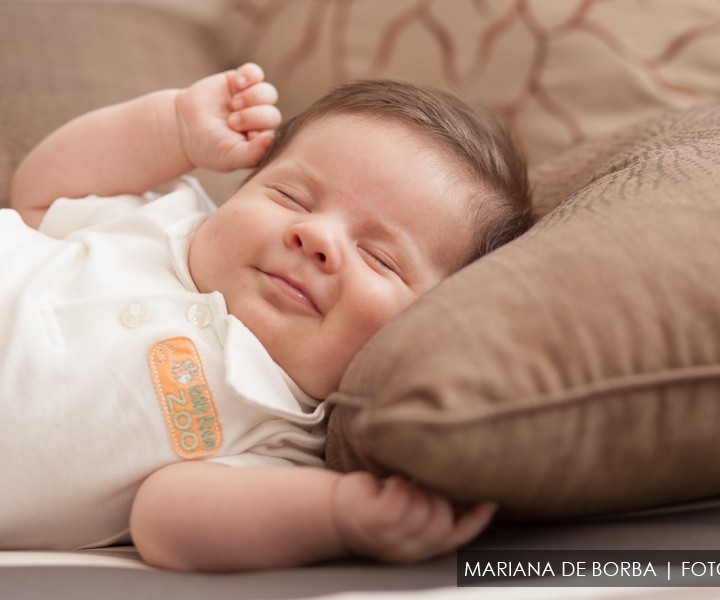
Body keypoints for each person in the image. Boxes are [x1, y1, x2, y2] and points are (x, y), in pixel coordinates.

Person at [6, 63, 531, 571]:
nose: (317, 236)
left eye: (379, 257)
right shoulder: (161, 218)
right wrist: (173, 128)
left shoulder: (278, 428)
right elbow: (40, 191)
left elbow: (167, 521)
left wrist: (337, 514)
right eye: (291, 197)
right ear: (237, 193)